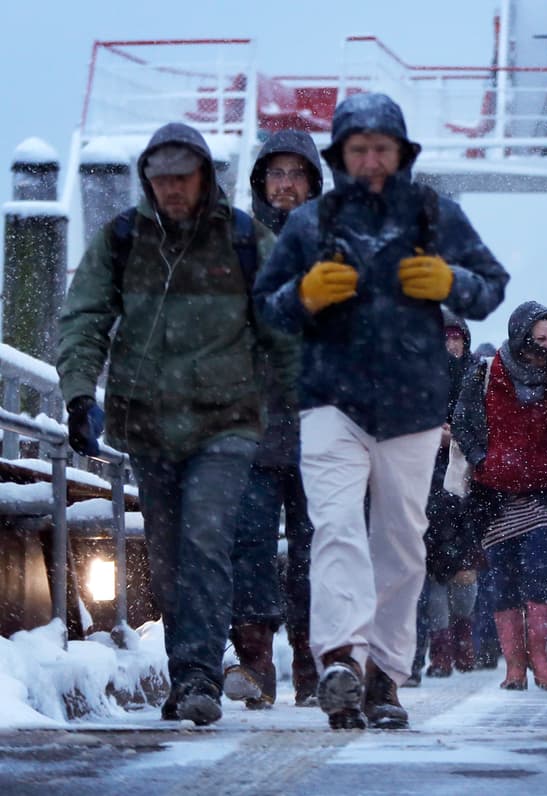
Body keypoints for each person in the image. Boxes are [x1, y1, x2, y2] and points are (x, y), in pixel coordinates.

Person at [254, 92, 509, 730]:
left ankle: (386, 678)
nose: (370, 159)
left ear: (400, 155)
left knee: (399, 544)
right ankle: (340, 658)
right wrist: (302, 296)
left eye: (382, 148)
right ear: (340, 156)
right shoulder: (311, 224)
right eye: (358, 148)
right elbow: (263, 307)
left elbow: (491, 286)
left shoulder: (434, 215)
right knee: (336, 529)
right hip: (330, 402)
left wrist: (451, 283)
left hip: (413, 408)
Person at [58, 122, 297, 726]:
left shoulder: (246, 241)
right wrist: (80, 393)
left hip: (227, 423)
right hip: (149, 425)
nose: (170, 190)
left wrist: (308, 402)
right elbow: (85, 315)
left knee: (206, 538)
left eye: (181, 178)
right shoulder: (120, 241)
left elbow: (285, 330)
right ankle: (187, 667)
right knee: (166, 555)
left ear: (204, 178)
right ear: (147, 180)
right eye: (159, 179)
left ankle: (197, 676)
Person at [224, 129, 326, 710]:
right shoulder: (235, 245)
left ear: (313, 182)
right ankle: (256, 662)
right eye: (276, 174)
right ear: (262, 181)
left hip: (320, 428)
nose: (286, 185)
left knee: (318, 550)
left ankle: (313, 663)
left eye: (297, 174)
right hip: (252, 426)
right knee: (250, 546)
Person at [452, 301, 547, 691]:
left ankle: (539, 656)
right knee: (504, 580)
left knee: (541, 570)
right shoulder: (485, 372)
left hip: (543, 493)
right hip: (493, 494)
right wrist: (481, 458)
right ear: (521, 335)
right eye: (539, 338)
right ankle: (514, 665)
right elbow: (462, 419)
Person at [406, 308, 485, 683]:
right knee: (432, 571)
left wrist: (458, 436)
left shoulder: (477, 375)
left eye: (455, 336)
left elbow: (485, 425)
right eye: (443, 336)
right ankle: (440, 647)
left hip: (466, 481)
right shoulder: (417, 376)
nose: (448, 343)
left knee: (465, 570)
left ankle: (463, 631)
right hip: (422, 480)